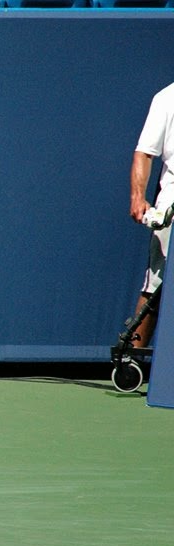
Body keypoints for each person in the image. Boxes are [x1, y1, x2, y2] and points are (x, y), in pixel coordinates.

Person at [128, 82, 174, 348]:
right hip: (172, 205)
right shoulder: (167, 98)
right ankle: (132, 356)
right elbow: (145, 152)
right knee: (156, 284)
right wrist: (138, 198)